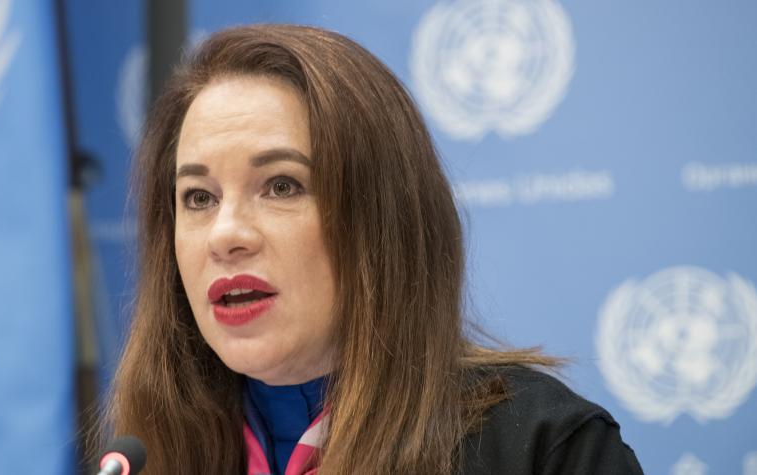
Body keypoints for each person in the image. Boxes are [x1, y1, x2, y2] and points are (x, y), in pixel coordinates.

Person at [102, 24, 643, 474]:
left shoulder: (543, 450)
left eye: (282, 186)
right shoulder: (146, 460)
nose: (225, 234)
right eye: (198, 197)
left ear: (380, 219)